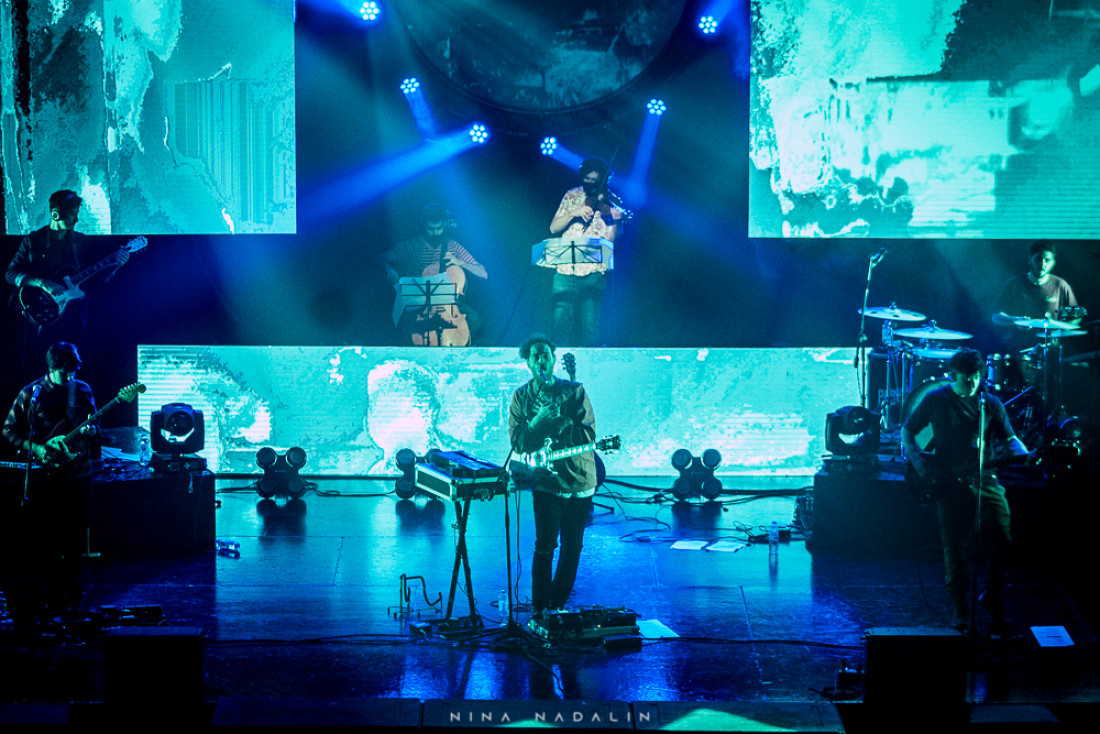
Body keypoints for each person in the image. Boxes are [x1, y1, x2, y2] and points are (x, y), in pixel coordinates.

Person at [901, 348, 1031, 636]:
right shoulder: (936, 399)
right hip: (947, 481)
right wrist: (919, 462)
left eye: (976, 376)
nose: (972, 382)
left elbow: (1010, 439)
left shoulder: (991, 403)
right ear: (953, 374)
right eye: (966, 377)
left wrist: (1025, 452)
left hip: (984, 477)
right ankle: (960, 607)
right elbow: (907, 430)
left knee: (1002, 537)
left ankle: (992, 598)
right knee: (955, 547)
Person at [1, 342, 100, 628]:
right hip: (45, 478)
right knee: (46, 535)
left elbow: (97, 431)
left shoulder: (82, 391)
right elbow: (8, 429)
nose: (68, 376)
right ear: (51, 368)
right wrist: (38, 448)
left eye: (72, 370)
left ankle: (73, 593)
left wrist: (93, 430)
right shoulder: (31, 394)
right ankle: (46, 595)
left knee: (76, 533)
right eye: (62, 371)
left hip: (79, 474)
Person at [508, 335, 596, 619]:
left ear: (553, 358)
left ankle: (556, 606)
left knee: (573, 546)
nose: (541, 360)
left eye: (545, 354)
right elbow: (519, 444)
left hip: (580, 479)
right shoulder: (521, 397)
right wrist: (538, 421)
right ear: (528, 362)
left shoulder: (575, 391)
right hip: (546, 483)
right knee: (545, 544)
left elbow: (589, 435)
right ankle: (538, 607)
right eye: (535, 356)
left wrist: (563, 423)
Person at [5, 190, 130, 376]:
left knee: (79, 372)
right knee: (39, 374)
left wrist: (115, 266)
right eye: (73, 213)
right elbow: (10, 274)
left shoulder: (82, 242)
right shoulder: (32, 241)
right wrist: (41, 283)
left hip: (76, 322)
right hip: (41, 323)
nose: (77, 219)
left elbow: (98, 280)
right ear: (56, 213)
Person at [383, 203, 487, 346]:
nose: (435, 233)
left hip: (449, 304)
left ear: (445, 224)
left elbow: (482, 272)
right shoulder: (412, 246)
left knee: (475, 321)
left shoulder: (453, 245)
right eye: (430, 229)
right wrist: (389, 269)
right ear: (423, 225)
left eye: (439, 228)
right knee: (401, 327)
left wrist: (460, 262)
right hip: (419, 303)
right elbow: (382, 258)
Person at [547, 158, 624, 346]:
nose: (590, 184)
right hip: (565, 271)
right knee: (560, 326)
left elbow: (608, 245)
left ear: (603, 181)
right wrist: (574, 213)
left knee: (589, 329)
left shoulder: (612, 202)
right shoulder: (572, 195)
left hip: (594, 274)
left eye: (594, 181)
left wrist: (615, 221)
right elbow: (553, 228)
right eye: (587, 180)